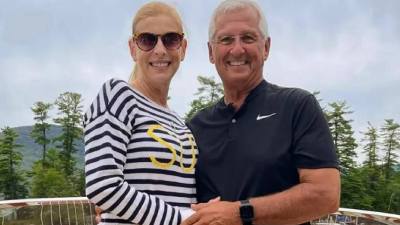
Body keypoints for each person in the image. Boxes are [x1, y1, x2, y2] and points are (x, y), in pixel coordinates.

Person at [183, 0, 341, 225]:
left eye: (248, 38)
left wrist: (240, 213)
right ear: (211, 51)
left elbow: (325, 195)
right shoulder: (194, 127)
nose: (237, 49)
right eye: (226, 39)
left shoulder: (297, 106)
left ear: (266, 47)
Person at [84, 2, 198, 225]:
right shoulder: (118, 95)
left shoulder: (178, 121)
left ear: (183, 48)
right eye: (147, 39)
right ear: (133, 48)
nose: (160, 49)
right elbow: (102, 184)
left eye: (171, 39)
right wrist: (181, 219)